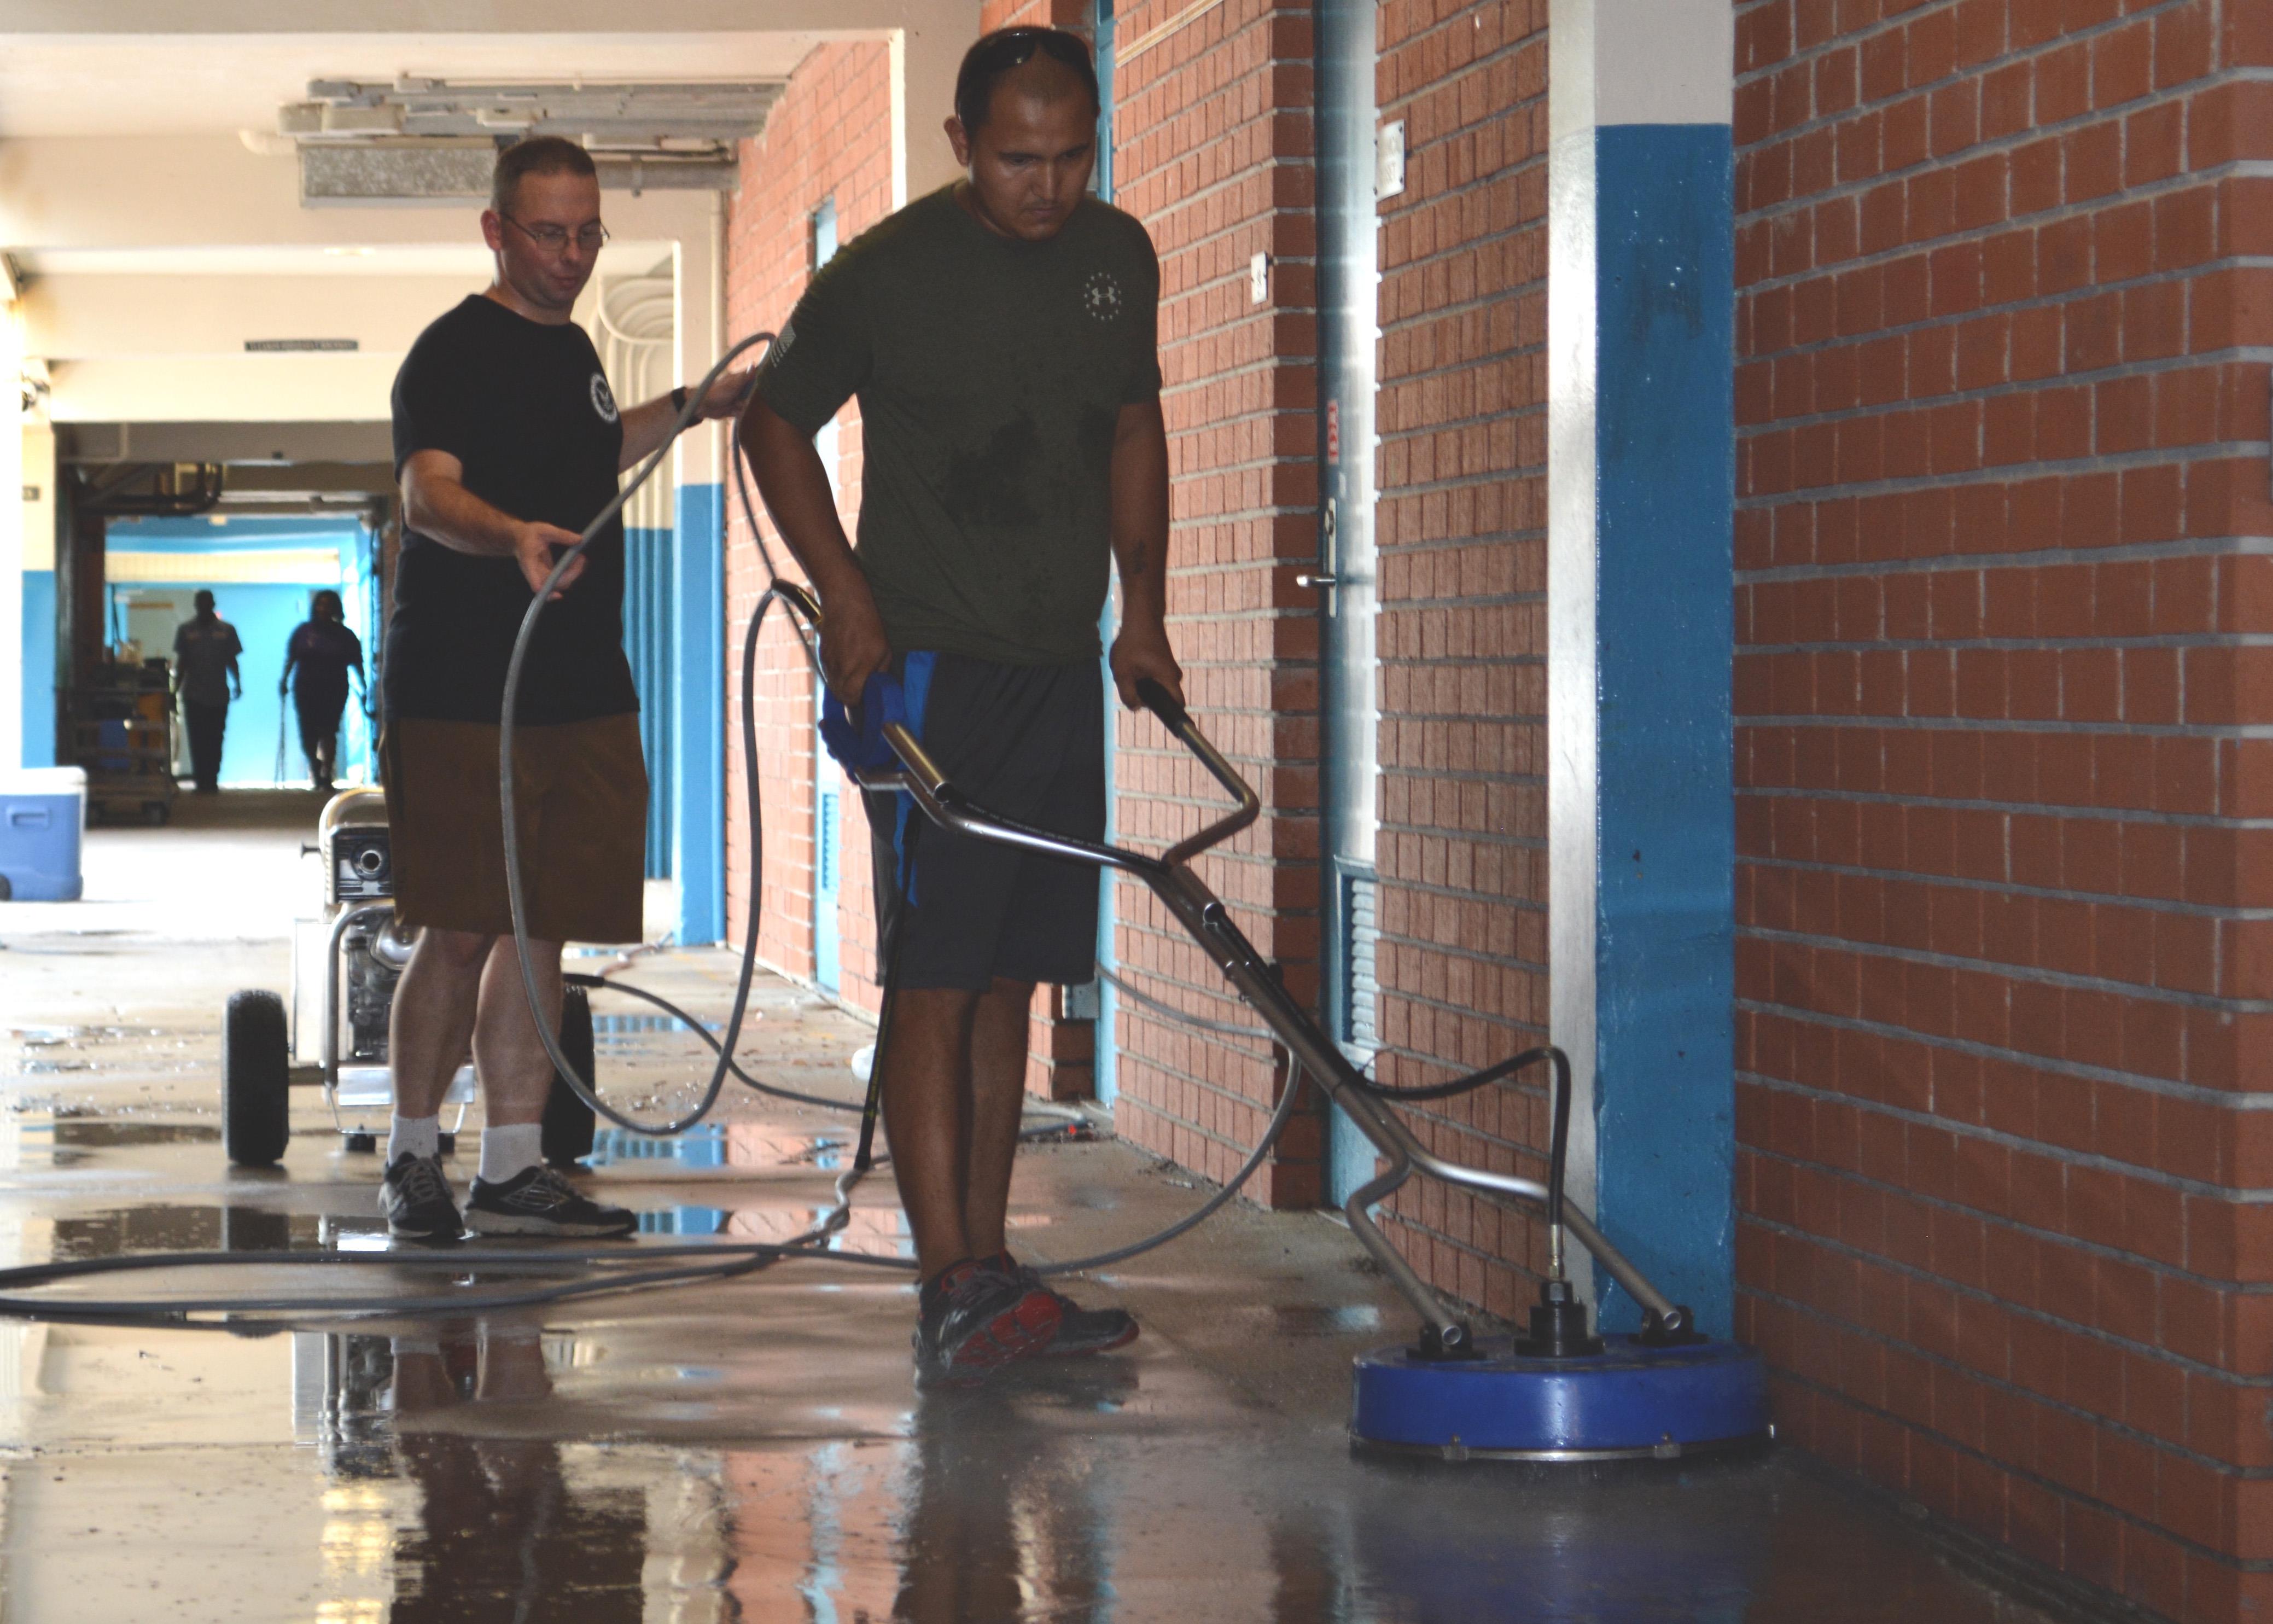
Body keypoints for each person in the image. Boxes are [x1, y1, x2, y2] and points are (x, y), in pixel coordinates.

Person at [742, 27, 1183, 1383]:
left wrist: (1145, 612)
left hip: (1055, 670)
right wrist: (847, 597)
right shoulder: (886, 274)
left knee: (1010, 977)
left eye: (1067, 157)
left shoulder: (1117, 259)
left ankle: (987, 1266)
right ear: (958, 147)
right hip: (930, 673)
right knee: (935, 981)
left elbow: (1128, 429)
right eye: (1014, 160)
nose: (1044, 187)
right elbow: (768, 424)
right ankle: (946, 1285)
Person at [380, 135, 753, 1243]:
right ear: (497, 230)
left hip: (580, 682)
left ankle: (512, 1167)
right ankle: (411, 1158)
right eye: (550, 232)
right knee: (457, 928)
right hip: (459, 686)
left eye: (589, 232)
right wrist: (510, 539)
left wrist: (694, 402)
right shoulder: (450, 351)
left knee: (542, 929)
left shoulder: (577, 349)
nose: (574, 254)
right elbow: (423, 492)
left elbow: (599, 449)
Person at [279, 589, 366, 793]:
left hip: (334, 688)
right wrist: (284, 681)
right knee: (308, 732)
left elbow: (357, 663)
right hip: (306, 688)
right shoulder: (303, 632)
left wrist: (364, 688)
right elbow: (291, 658)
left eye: (328, 604)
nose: (324, 608)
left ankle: (327, 771)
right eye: (320, 604)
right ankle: (315, 766)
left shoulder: (345, 635)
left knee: (329, 729)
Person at [172, 589, 243, 794]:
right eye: (200, 603)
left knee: (216, 737)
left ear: (213, 604)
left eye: (207, 603)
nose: (204, 607)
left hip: (218, 694)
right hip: (194, 694)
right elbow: (182, 663)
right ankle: (201, 780)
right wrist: (175, 691)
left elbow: (232, 660)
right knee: (197, 738)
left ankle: (212, 778)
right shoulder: (186, 631)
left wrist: (238, 683)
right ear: (196, 605)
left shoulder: (227, 630)